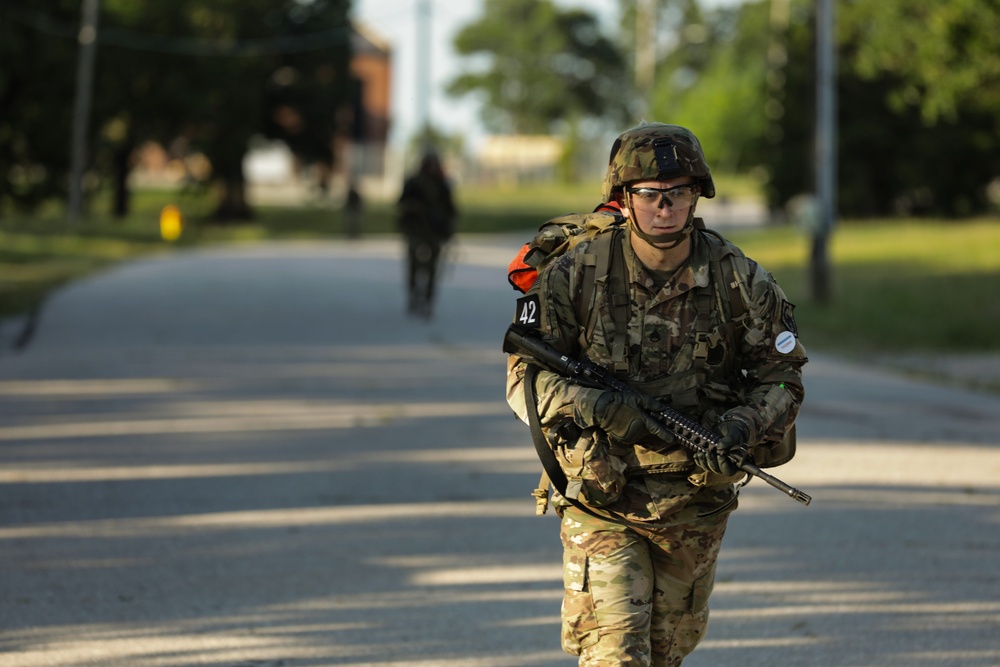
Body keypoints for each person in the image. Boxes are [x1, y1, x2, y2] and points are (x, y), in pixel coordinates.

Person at [505, 122, 807, 666]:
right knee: (616, 654)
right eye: (649, 195)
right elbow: (523, 379)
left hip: (695, 500)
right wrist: (594, 404)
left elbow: (783, 378)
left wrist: (740, 426)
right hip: (601, 495)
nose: (664, 208)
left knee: (666, 653)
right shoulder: (576, 274)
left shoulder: (741, 280)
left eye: (679, 193)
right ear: (624, 199)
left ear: (698, 195)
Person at [397, 151, 457, 318]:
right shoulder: (414, 183)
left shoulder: (442, 184)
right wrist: (414, 208)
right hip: (416, 230)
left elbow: (451, 210)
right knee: (413, 264)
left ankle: (428, 300)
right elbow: (402, 203)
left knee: (432, 268)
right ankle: (414, 294)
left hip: (434, 232)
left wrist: (449, 228)